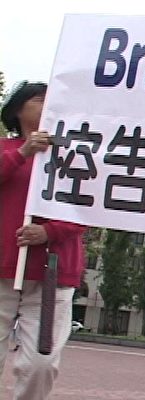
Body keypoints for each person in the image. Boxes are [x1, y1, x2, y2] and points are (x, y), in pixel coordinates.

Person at [0, 81, 86, 400]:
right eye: (40, 99)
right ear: (17, 109)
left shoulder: (75, 156)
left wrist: (50, 231)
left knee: (41, 363)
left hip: (51, 276)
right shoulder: (6, 149)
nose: (49, 104)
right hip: (3, 270)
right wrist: (23, 153)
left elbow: (87, 206)